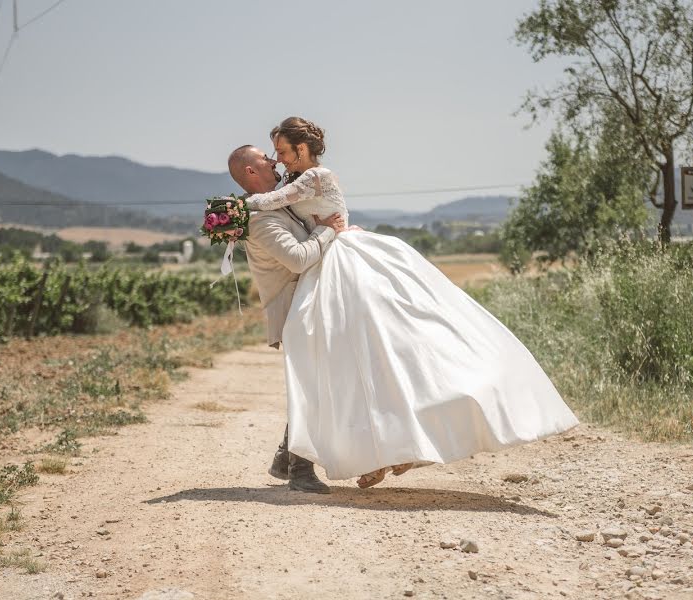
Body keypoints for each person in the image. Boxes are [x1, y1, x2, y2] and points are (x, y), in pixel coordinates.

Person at [242, 116, 579, 489]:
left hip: (344, 263)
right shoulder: (288, 187)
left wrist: (235, 209)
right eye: (273, 154)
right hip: (328, 267)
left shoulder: (312, 178)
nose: (278, 159)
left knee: (377, 353)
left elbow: (277, 202)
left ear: (302, 149)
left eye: (283, 151)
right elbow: (296, 227)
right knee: (346, 365)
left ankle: (387, 447)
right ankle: (346, 455)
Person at [227, 144, 345, 494]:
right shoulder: (260, 218)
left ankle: (285, 458)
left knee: (316, 383)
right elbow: (296, 259)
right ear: (251, 171)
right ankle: (300, 471)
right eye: (267, 158)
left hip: (309, 305)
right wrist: (328, 229)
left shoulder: (277, 203)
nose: (275, 161)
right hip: (295, 309)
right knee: (310, 387)